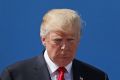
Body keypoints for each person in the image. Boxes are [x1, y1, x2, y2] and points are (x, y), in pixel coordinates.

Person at [0, 9, 109, 80]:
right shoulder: (15, 75)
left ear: (79, 40)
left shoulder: (97, 77)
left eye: (70, 40)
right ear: (43, 39)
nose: (64, 47)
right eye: (57, 40)